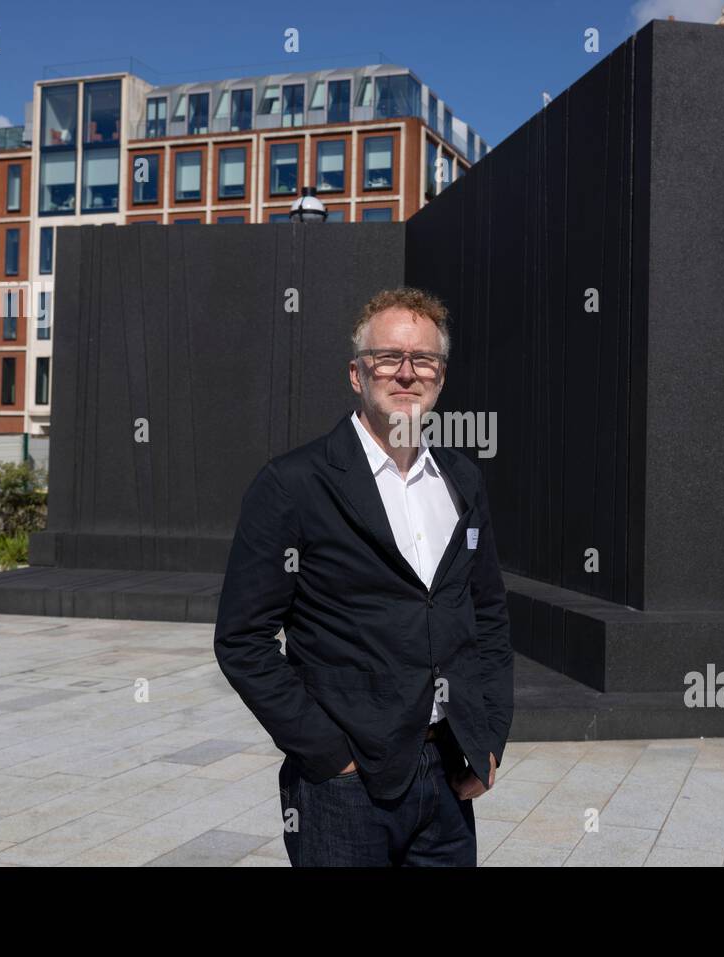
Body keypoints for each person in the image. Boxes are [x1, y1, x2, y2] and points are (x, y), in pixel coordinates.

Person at [214, 287, 513, 867]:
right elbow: (242, 640)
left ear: (441, 376)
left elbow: (488, 618)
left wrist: (489, 740)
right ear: (357, 374)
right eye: (387, 358)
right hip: (344, 791)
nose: (406, 373)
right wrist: (329, 757)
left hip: (447, 779)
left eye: (422, 359)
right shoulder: (293, 484)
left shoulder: (462, 481)